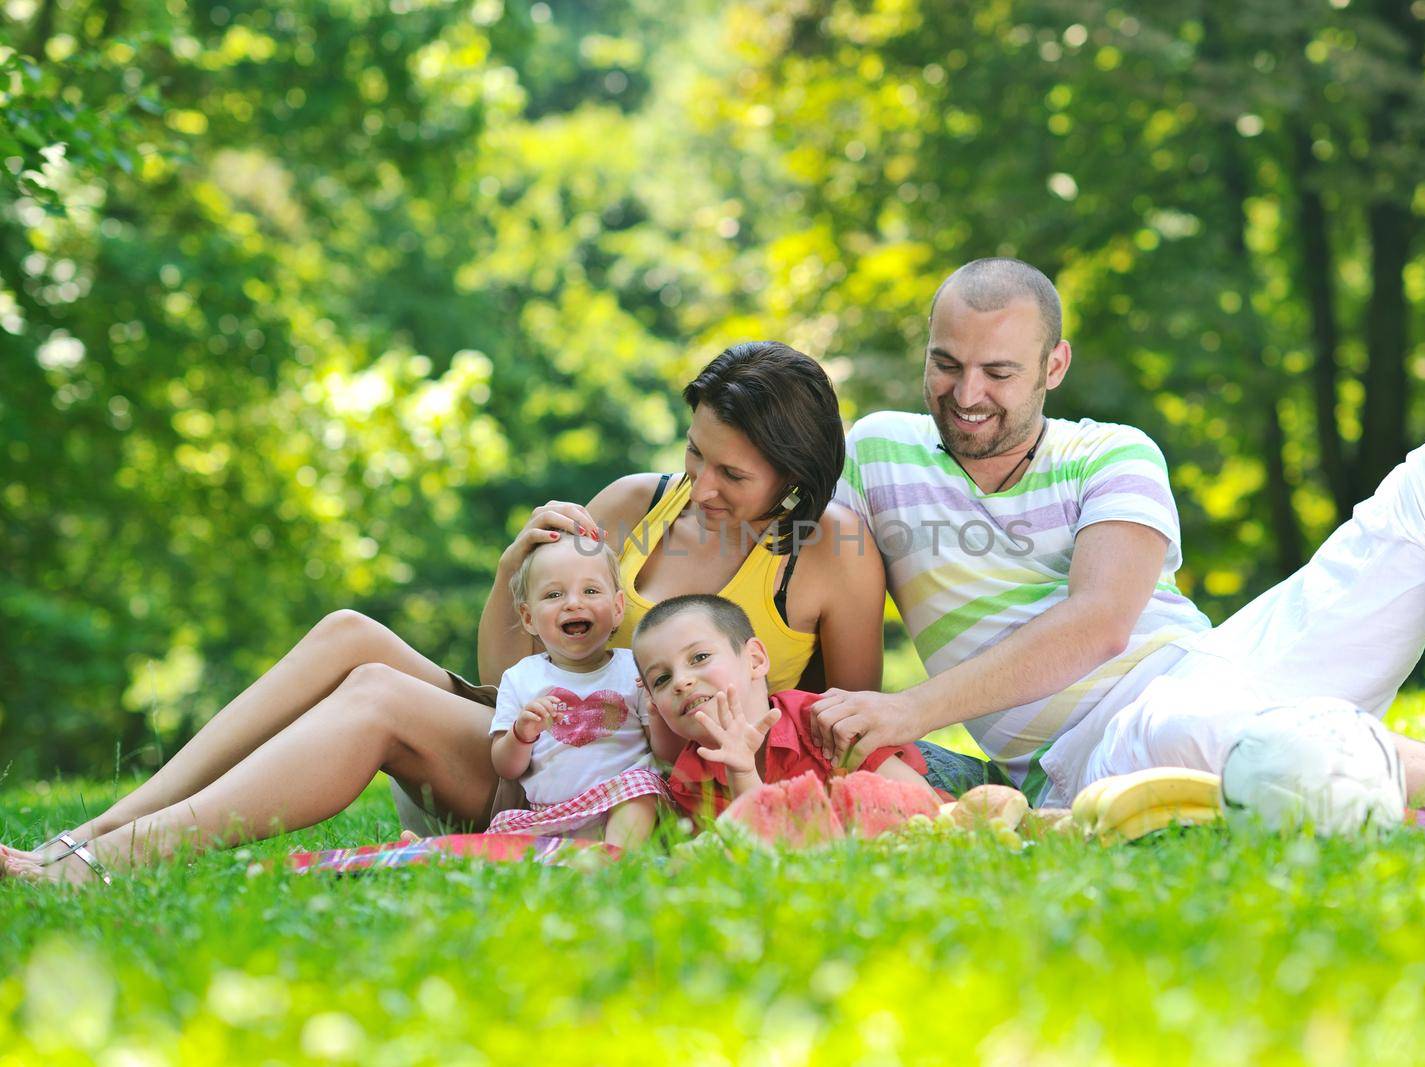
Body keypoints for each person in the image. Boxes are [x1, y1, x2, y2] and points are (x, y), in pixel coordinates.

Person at [2, 341, 884, 885]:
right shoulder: (633, 505)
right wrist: (514, 568)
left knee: (379, 693)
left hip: (640, 792)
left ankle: (103, 864)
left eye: (735, 474)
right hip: (539, 749)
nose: (706, 486)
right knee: (352, 632)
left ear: (795, 471)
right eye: (697, 454)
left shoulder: (828, 553)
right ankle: (101, 828)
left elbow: (842, 733)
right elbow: (510, 679)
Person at [811, 257, 1425, 819]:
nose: (966, 394)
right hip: (1098, 746)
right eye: (945, 365)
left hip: (1219, 664)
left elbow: (1099, 625)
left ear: (1055, 365)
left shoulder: (1113, 453)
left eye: (998, 373)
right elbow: (784, 545)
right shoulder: (878, 451)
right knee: (1197, 721)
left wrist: (909, 707)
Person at [630, 594, 935, 819]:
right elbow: (759, 855)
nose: (681, 682)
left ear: (755, 659)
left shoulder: (827, 723)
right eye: (661, 679)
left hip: (932, 769)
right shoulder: (689, 783)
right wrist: (742, 771)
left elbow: (926, 810)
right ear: (654, 704)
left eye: (699, 658)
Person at [481, 534, 664, 849]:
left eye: (591, 591)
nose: (573, 603)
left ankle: (616, 858)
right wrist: (521, 733)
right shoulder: (522, 677)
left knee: (643, 785)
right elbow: (506, 767)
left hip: (621, 806)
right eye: (553, 594)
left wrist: (657, 712)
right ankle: (442, 849)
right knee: (504, 840)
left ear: (618, 607)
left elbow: (663, 753)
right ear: (528, 618)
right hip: (550, 814)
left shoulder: (634, 669)